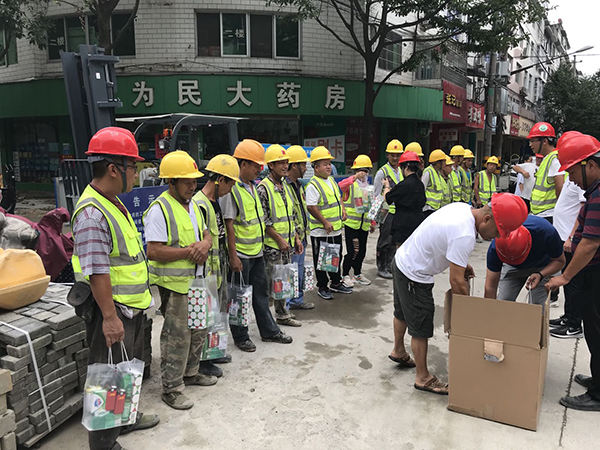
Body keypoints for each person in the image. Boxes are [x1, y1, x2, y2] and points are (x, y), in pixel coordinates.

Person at [70, 127, 159, 449]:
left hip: (129, 307)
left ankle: (126, 418)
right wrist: (109, 318)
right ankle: (104, 444)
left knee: (126, 369)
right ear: (113, 169)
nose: (136, 172)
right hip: (112, 311)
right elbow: (97, 271)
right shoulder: (92, 213)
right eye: (132, 166)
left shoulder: (112, 203)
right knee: (107, 378)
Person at [389, 193, 528, 395]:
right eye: (498, 232)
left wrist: (461, 262)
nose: (497, 237)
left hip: (402, 259)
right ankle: (423, 377)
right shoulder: (465, 235)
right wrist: (468, 316)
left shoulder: (462, 209)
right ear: (487, 219)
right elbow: (456, 281)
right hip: (415, 275)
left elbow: (446, 240)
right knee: (420, 327)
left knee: (401, 312)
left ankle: (398, 350)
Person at [144, 151, 216, 410]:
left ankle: (191, 373)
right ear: (171, 182)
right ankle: (171, 388)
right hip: (175, 287)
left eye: (194, 181)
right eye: (186, 182)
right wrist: (189, 252)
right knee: (177, 337)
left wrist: (205, 245)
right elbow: (153, 251)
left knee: (198, 330)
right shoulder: (160, 210)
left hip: (197, 281)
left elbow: (206, 234)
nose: (192, 186)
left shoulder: (194, 205)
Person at [221, 139, 292, 352]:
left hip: (257, 252)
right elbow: (229, 225)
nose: (259, 169)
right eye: (255, 165)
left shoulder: (252, 186)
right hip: (241, 254)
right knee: (238, 296)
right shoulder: (232, 189)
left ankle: (269, 331)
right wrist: (233, 256)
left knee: (260, 295)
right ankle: (241, 336)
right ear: (243, 164)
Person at [545, 133, 600, 411]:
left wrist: (565, 277)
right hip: (592, 273)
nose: (571, 179)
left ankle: (598, 394)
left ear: (590, 165)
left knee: (597, 330)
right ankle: (597, 379)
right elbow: (583, 223)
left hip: (596, 273)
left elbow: (591, 243)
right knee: (593, 328)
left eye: (573, 172)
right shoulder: (593, 192)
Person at [192, 154, 240, 364]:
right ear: (220, 180)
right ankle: (204, 362)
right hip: (206, 272)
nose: (230, 190)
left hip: (217, 269)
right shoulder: (200, 204)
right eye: (230, 185)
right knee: (205, 316)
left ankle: (214, 351)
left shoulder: (214, 202)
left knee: (216, 314)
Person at [257, 145, 303, 327]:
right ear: (271, 165)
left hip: (287, 245)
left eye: (286, 162)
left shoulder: (285, 186)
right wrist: (279, 239)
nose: (285, 166)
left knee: (283, 282)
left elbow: (291, 215)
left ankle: (282, 315)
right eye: (281, 163)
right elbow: (264, 220)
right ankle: (267, 321)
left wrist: (296, 238)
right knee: (270, 285)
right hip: (273, 247)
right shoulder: (263, 188)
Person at [484, 216, 565, 309]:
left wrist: (541, 274)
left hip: (542, 265)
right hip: (512, 267)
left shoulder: (546, 232)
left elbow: (560, 261)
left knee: (537, 307)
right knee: (504, 302)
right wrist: (489, 312)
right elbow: (490, 286)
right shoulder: (495, 248)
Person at [306, 146, 352, 300]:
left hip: (335, 229)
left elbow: (339, 197)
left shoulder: (331, 180)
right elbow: (311, 207)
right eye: (324, 164)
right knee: (321, 260)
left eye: (329, 163)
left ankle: (336, 282)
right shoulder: (313, 185)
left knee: (335, 257)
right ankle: (322, 286)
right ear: (316, 167)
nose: (328, 167)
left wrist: (343, 210)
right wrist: (324, 222)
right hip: (321, 231)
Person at [514, 122, 565, 223]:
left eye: (533, 141)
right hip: (541, 214)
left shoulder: (554, 159)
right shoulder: (547, 159)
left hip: (548, 214)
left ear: (544, 141)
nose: (530, 145)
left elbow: (560, 188)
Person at [285, 145, 315, 311]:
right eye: (303, 164)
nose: (305, 168)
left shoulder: (298, 185)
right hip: (291, 238)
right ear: (294, 165)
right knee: (291, 272)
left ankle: (297, 300)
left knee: (299, 270)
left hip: (301, 236)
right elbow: (289, 214)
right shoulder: (284, 186)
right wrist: (295, 237)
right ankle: (287, 304)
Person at [339, 155, 375, 288]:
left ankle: (357, 274)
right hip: (351, 224)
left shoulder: (368, 187)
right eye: (360, 170)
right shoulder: (350, 184)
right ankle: (345, 274)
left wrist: (372, 222)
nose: (363, 173)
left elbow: (370, 205)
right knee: (353, 250)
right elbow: (341, 186)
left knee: (362, 252)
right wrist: (354, 177)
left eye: (366, 170)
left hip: (363, 225)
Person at [373, 139, 404, 279]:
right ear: (387, 155)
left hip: (397, 211)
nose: (395, 158)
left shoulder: (401, 171)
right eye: (392, 155)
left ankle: (390, 265)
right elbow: (376, 194)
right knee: (384, 240)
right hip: (385, 212)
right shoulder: (382, 172)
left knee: (393, 240)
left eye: (397, 155)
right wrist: (375, 217)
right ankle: (381, 267)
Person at [383, 151, 426, 248]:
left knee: (401, 252)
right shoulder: (420, 184)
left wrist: (387, 186)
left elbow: (387, 198)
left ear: (405, 167)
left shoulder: (404, 185)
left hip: (402, 225)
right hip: (418, 223)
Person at [421, 149, 447, 216]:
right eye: (443, 162)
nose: (445, 164)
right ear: (438, 163)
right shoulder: (428, 172)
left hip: (436, 208)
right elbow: (422, 189)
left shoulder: (437, 173)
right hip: (428, 208)